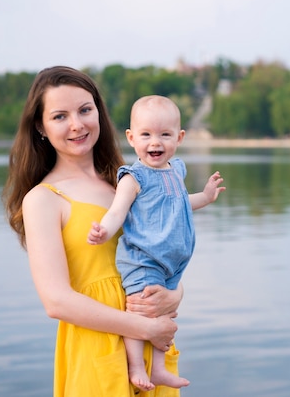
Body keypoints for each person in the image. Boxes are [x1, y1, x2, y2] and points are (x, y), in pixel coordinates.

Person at [2, 66, 184, 397]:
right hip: (97, 350)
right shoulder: (43, 199)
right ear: (41, 127)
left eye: (85, 110)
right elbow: (56, 301)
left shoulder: (129, 181)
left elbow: (163, 254)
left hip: (151, 347)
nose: (77, 124)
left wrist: (176, 294)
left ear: (99, 113)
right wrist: (144, 327)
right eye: (59, 116)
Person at [87, 95, 226, 391]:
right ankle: (137, 366)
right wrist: (104, 231)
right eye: (146, 134)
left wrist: (206, 197)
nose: (156, 142)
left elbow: (180, 204)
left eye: (165, 134)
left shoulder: (176, 170)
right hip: (143, 259)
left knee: (163, 313)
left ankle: (159, 368)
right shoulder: (133, 177)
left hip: (172, 263)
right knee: (139, 310)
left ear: (179, 137)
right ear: (131, 137)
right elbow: (117, 211)